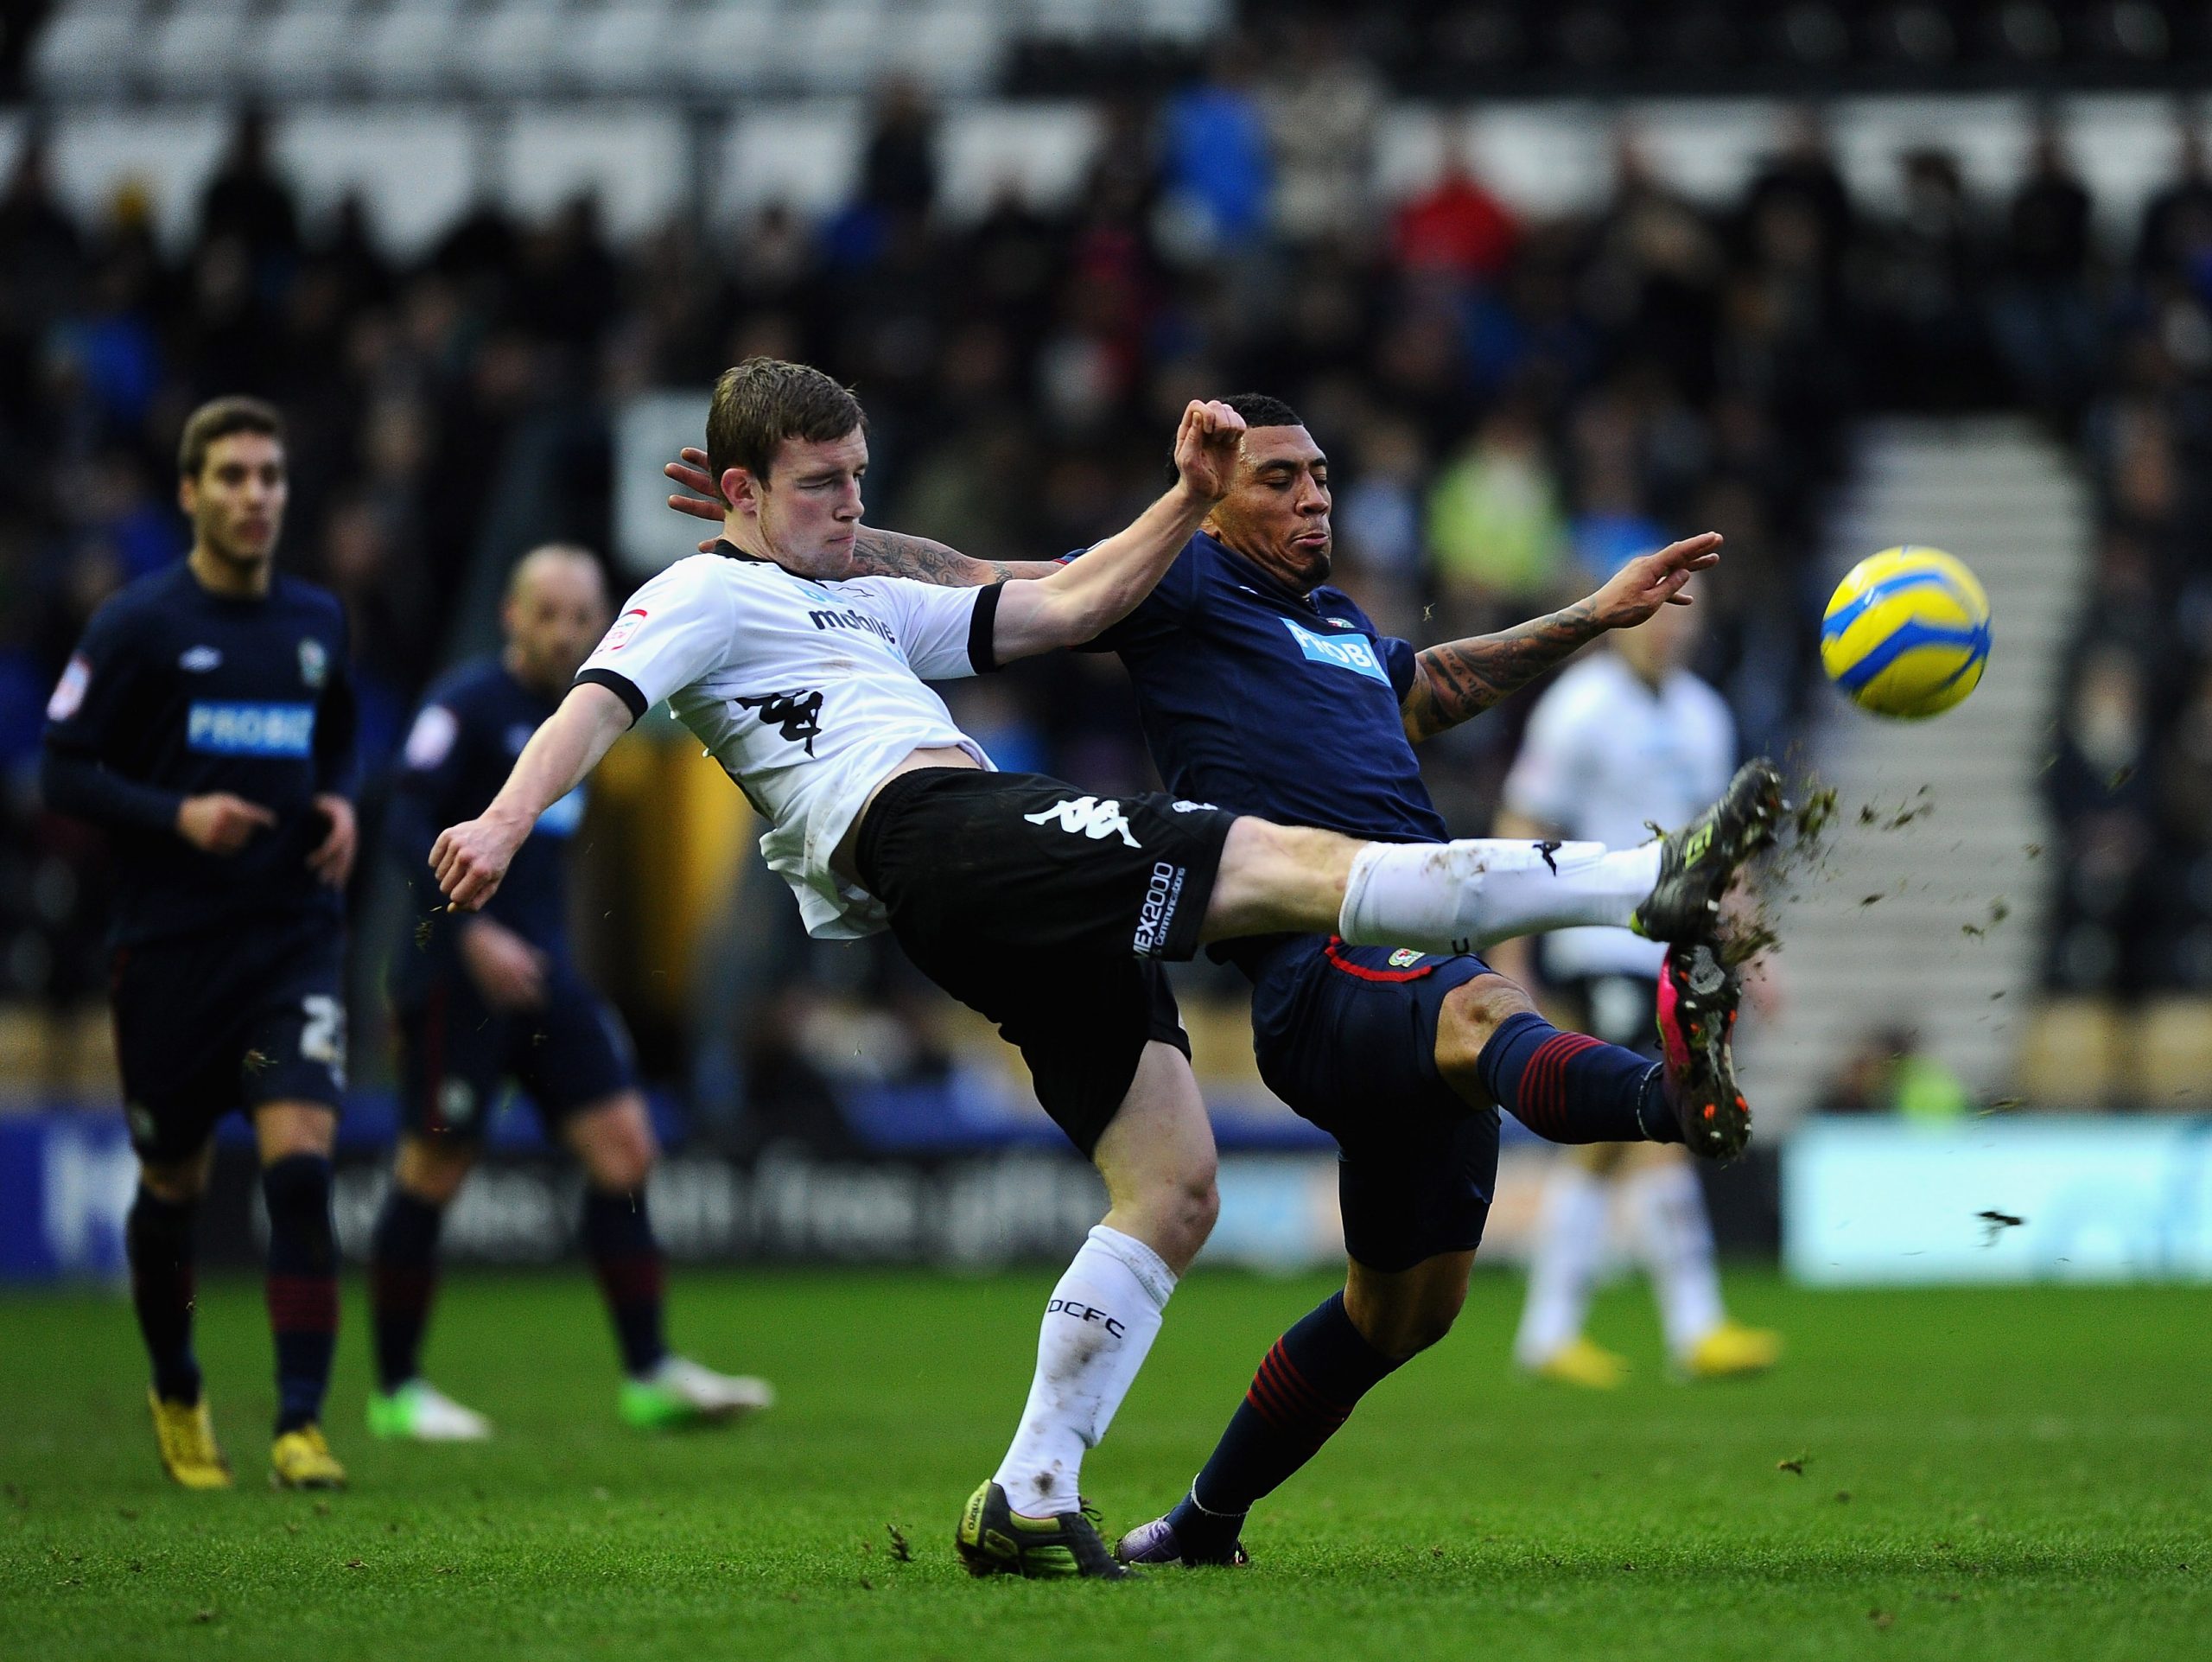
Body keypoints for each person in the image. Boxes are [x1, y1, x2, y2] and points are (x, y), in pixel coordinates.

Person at [660, 387, 1783, 1570]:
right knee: (1481, 1012)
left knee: (1404, 1312)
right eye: (1280, 480)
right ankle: (1672, 1091)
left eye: (1322, 478)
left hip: (1408, 946)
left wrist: (1594, 615)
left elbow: (1428, 690)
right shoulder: (1183, 582)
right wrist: (797, 536)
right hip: (1316, 960)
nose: (1314, 501)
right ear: (1220, 501)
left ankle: (1200, 1523)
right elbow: (973, 569)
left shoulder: (1338, 623)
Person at [367, 544, 772, 1442]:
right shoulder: (462, 706)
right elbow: (399, 821)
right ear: (510, 616)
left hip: (546, 972)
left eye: (579, 614)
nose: (562, 630)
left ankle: (649, 1373)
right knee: (434, 1169)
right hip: (454, 974)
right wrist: (471, 932)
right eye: (544, 612)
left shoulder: (593, 712)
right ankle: (396, 1390)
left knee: (625, 1148)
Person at [41, 398, 358, 1491]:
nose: (254, 495)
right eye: (230, 477)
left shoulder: (318, 623)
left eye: (269, 476)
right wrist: (178, 817)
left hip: (290, 940)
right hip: (172, 948)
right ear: (190, 493)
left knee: (304, 1171)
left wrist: (340, 805)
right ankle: (177, 1386)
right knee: (171, 1182)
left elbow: (338, 745)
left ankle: (301, 1424)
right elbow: (63, 769)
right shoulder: (136, 626)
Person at [1489, 592, 1783, 1389]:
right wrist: (1513, 955)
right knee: (1638, 1118)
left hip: (1672, 951)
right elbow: (1521, 825)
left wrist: (1752, 953)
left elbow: (1725, 848)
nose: (1671, 629)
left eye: (1685, 617)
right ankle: (1663, 1326)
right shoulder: (1578, 707)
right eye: (1658, 615)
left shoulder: (1705, 714)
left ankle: (1603, 1330)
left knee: (1635, 1130)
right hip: (1593, 943)